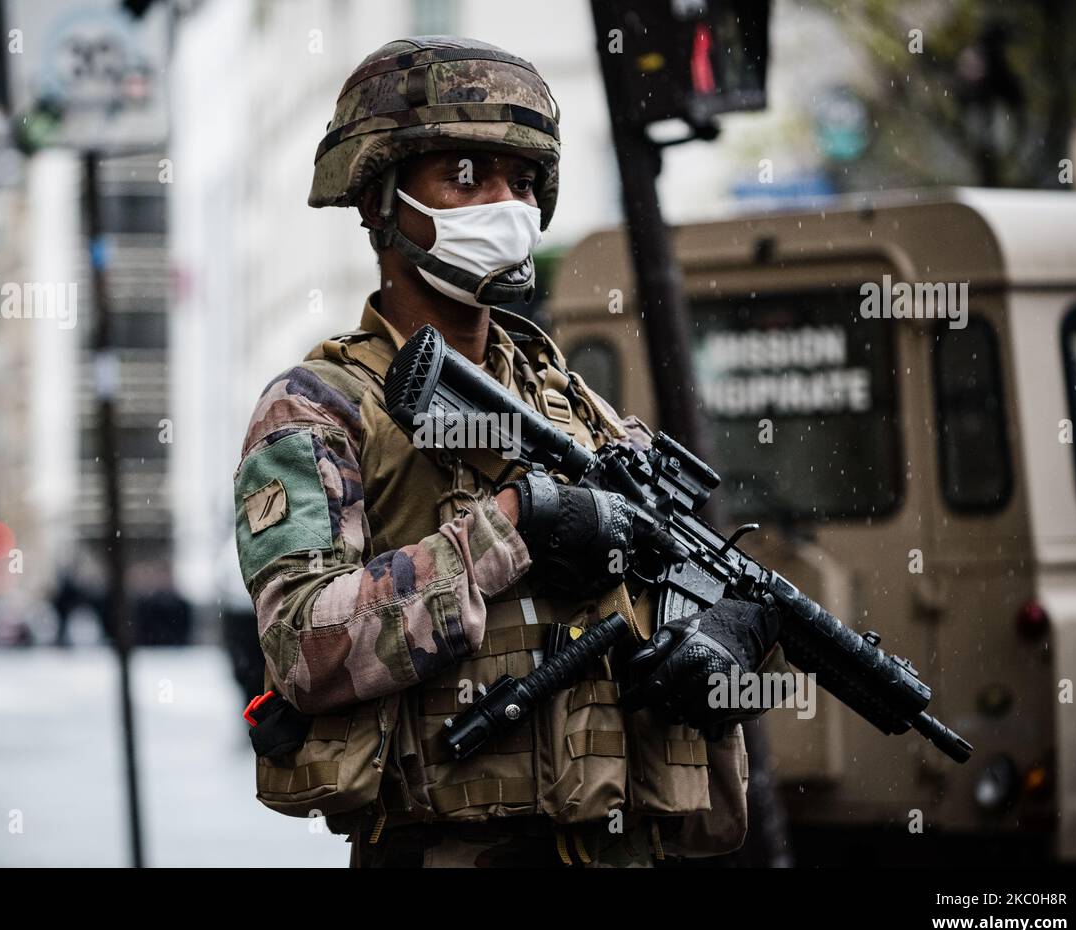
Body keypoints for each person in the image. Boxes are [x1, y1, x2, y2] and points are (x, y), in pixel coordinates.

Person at [234, 36, 782, 868]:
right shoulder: (321, 406)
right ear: (380, 199)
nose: (504, 202)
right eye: (466, 175)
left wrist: (731, 636)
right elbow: (303, 646)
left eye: (523, 182)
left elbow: (682, 562)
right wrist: (513, 521)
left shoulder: (575, 405)